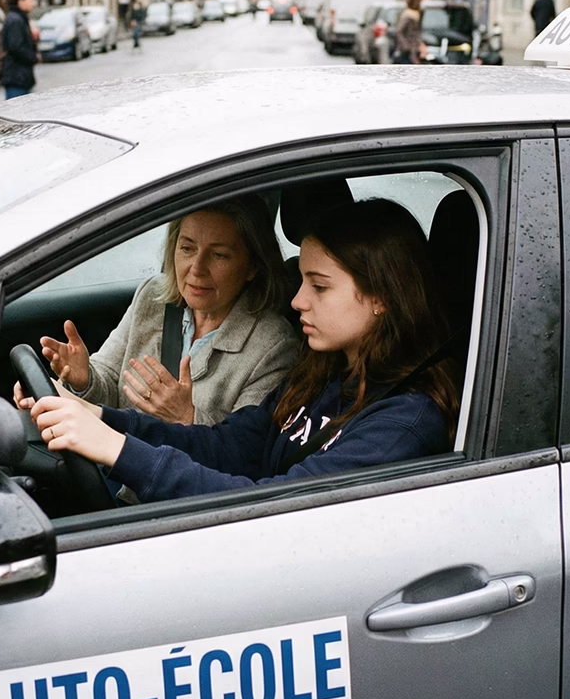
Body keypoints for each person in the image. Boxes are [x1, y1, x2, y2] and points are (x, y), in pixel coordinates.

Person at [25, 199, 458, 503]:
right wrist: (99, 418)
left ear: (382, 296)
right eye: (302, 280)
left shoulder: (403, 423)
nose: (297, 301)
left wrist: (117, 449)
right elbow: (229, 446)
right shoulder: (326, 372)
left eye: (319, 286)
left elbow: (275, 505)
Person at [32, 196, 298, 427]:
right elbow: (111, 381)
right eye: (187, 248)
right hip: (112, 467)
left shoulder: (273, 347)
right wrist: (84, 379)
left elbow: (245, 452)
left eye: (219, 255)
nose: (196, 268)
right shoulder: (153, 298)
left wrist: (188, 417)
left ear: (252, 266)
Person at [0, 0, 39, 99]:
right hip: (16, 76)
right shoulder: (15, 20)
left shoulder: (18, 18)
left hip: (20, 76)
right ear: (20, 1)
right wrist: (32, 57)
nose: (33, 3)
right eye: (30, 0)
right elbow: (15, 46)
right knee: (16, 111)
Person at [393, 0, 428, 64]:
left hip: (415, 49)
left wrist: (421, 44)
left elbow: (417, 32)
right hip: (408, 51)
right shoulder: (407, 15)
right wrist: (406, 47)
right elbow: (399, 31)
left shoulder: (417, 14)